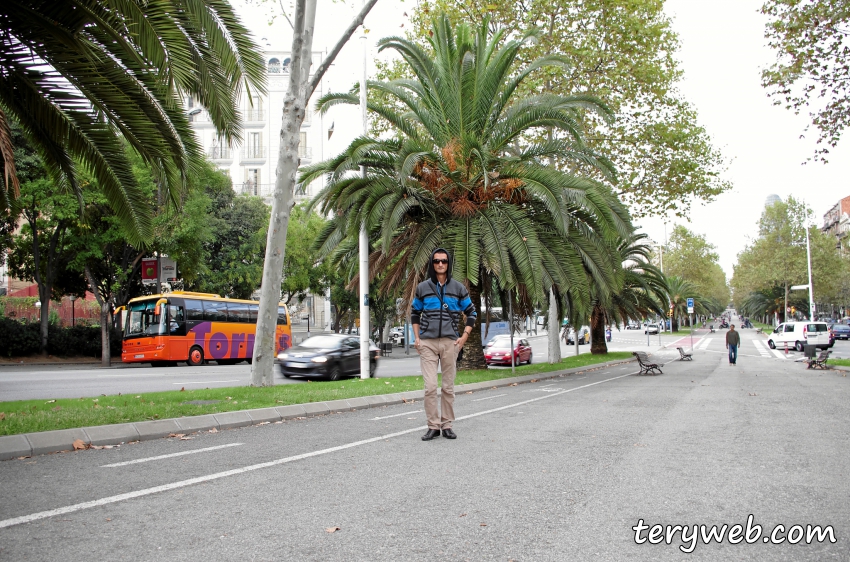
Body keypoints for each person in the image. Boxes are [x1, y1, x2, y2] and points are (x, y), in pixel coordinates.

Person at [412, 248, 477, 441]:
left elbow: (471, 313)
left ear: (449, 264)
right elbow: (415, 313)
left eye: (444, 261)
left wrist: (464, 337)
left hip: (450, 342)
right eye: (436, 261)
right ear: (432, 264)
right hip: (428, 343)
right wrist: (417, 338)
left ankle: (447, 424)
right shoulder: (422, 288)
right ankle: (433, 426)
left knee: (448, 387)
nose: (440, 264)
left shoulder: (458, 288)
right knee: (430, 387)